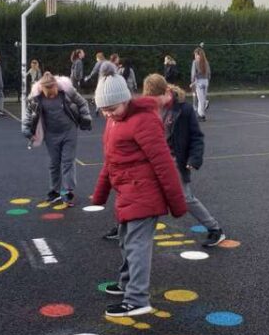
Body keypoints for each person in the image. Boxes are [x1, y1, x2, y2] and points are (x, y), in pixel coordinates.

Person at [91, 63, 187, 317]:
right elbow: (111, 160)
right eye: (104, 110)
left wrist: (177, 203)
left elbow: (163, 162)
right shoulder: (115, 122)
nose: (109, 114)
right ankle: (126, 283)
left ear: (125, 100)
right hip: (128, 193)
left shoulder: (144, 120)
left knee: (137, 246)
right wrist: (99, 195)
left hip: (144, 194)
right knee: (126, 241)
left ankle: (137, 299)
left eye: (113, 109)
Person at [143, 74, 226, 247]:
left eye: (157, 99)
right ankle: (125, 227)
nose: (155, 104)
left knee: (185, 197)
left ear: (167, 91)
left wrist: (194, 158)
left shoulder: (184, 109)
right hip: (154, 160)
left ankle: (215, 230)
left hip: (174, 160)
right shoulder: (149, 108)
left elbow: (197, 136)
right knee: (143, 193)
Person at [22, 72, 92, 206]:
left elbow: (82, 103)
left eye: (53, 91)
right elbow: (29, 115)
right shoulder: (36, 98)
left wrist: (86, 118)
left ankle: (67, 192)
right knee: (54, 163)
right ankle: (55, 191)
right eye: (47, 92)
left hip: (69, 132)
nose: (51, 94)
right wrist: (26, 129)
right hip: (51, 135)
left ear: (56, 86)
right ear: (41, 89)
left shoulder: (67, 91)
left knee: (67, 161)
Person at [190, 47, 210, 121]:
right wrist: (208, 80)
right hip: (206, 81)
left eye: (195, 54)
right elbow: (209, 73)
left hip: (199, 82)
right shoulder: (206, 62)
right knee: (203, 98)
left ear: (198, 54)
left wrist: (192, 82)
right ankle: (203, 111)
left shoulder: (195, 62)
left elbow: (193, 74)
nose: (195, 56)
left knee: (200, 99)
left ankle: (201, 115)